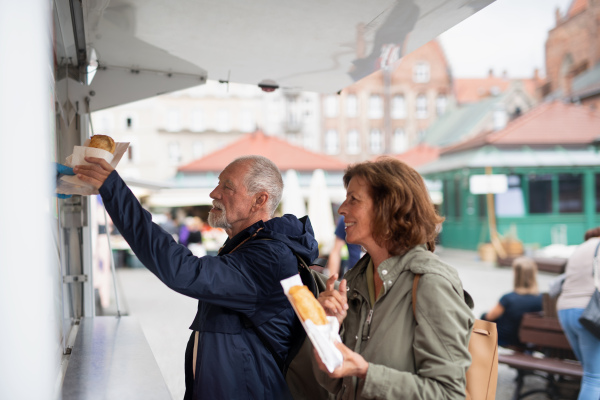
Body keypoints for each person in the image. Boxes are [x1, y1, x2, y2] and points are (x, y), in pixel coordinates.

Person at [74, 155, 319, 400]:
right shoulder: (248, 246)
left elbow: (182, 270)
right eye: (218, 183)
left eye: (227, 186)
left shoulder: (269, 258)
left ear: (259, 200)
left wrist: (115, 192)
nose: (214, 193)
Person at [313, 157, 473, 399]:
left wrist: (366, 372)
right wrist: (329, 329)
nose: (342, 208)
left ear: (388, 207)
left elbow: (449, 394)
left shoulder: (431, 281)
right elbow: (335, 384)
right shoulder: (355, 281)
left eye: (353, 199)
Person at [557, 227, 600, 400]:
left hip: (565, 309)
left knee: (590, 372)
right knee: (594, 377)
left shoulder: (579, 248)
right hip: (589, 312)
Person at [481, 257, 542, 347]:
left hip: (505, 340)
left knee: (483, 317)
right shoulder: (541, 299)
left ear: (516, 275)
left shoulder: (508, 298)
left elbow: (490, 316)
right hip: (527, 343)